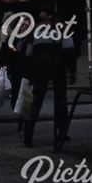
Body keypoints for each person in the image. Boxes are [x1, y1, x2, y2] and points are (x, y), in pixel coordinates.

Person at [23, 8, 76, 152]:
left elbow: (28, 51)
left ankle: (30, 125)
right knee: (60, 97)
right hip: (56, 61)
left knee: (37, 97)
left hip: (39, 62)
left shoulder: (35, 28)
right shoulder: (62, 27)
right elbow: (68, 47)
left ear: (48, 14)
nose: (40, 13)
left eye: (43, 11)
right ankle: (61, 131)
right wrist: (71, 70)